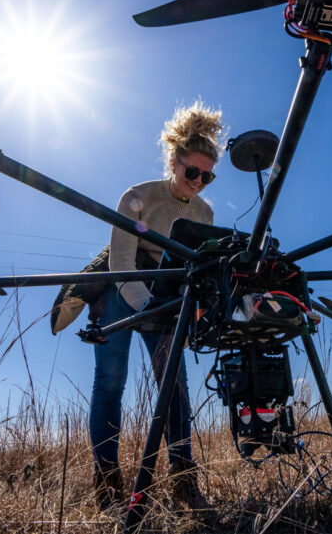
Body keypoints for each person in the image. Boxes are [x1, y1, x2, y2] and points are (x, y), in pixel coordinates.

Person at [90, 101, 223, 511]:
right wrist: (144, 307)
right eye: (192, 172)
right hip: (120, 290)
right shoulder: (137, 197)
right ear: (173, 161)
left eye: (207, 175)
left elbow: (196, 270)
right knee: (111, 383)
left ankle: (185, 483)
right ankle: (109, 486)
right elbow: (121, 261)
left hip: (166, 296)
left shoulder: (205, 212)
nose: (199, 182)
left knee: (175, 390)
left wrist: (190, 310)